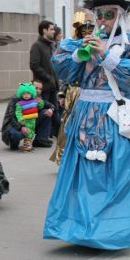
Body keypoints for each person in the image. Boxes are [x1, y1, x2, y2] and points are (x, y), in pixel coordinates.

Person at [44, 0, 130, 250]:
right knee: (82, 174)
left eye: (109, 15)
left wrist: (108, 56)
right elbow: (65, 72)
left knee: (116, 174)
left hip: (116, 119)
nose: (103, 21)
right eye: (99, 15)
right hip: (85, 118)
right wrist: (79, 57)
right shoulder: (82, 42)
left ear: (120, 15)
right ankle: (79, 227)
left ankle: (111, 230)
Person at [50, 11, 94, 165]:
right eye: (84, 28)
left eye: (91, 28)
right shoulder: (70, 45)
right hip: (74, 91)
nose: (87, 31)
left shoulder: (100, 44)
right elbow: (64, 71)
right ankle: (64, 158)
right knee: (69, 123)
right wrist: (62, 93)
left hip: (92, 92)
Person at [29, 20, 60, 143]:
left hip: (53, 85)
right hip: (43, 86)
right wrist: (47, 77)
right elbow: (34, 65)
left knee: (55, 110)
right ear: (44, 30)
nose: (54, 31)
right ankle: (41, 138)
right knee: (44, 111)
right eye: (51, 29)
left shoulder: (51, 45)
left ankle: (53, 135)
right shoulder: (37, 46)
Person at [1, 81, 53, 150]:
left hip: (30, 122)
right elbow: (12, 117)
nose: (38, 91)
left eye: (40, 89)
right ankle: (13, 143)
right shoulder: (16, 99)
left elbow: (49, 105)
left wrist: (51, 109)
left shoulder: (35, 97)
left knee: (46, 113)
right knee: (16, 135)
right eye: (36, 88)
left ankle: (40, 140)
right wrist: (21, 127)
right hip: (15, 124)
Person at [14, 82, 47, 152]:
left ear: (31, 94)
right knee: (28, 133)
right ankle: (26, 147)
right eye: (24, 94)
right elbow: (18, 112)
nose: (26, 95)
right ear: (21, 94)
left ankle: (29, 145)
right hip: (26, 121)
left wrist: (40, 102)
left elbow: (40, 106)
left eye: (28, 94)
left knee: (32, 133)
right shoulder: (19, 104)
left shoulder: (34, 101)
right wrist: (21, 120)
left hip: (33, 121)